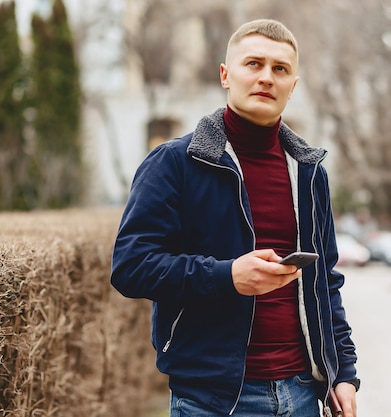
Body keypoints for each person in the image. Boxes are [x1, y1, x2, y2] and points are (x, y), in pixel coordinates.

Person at [110, 18, 359, 417]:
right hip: (213, 399)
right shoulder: (175, 162)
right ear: (226, 75)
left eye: (280, 69)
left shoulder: (310, 172)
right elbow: (131, 266)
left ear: (293, 86)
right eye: (253, 64)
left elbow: (325, 282)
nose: (266, 77)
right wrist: (226, 277)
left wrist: (343, 372)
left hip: (301, 394)